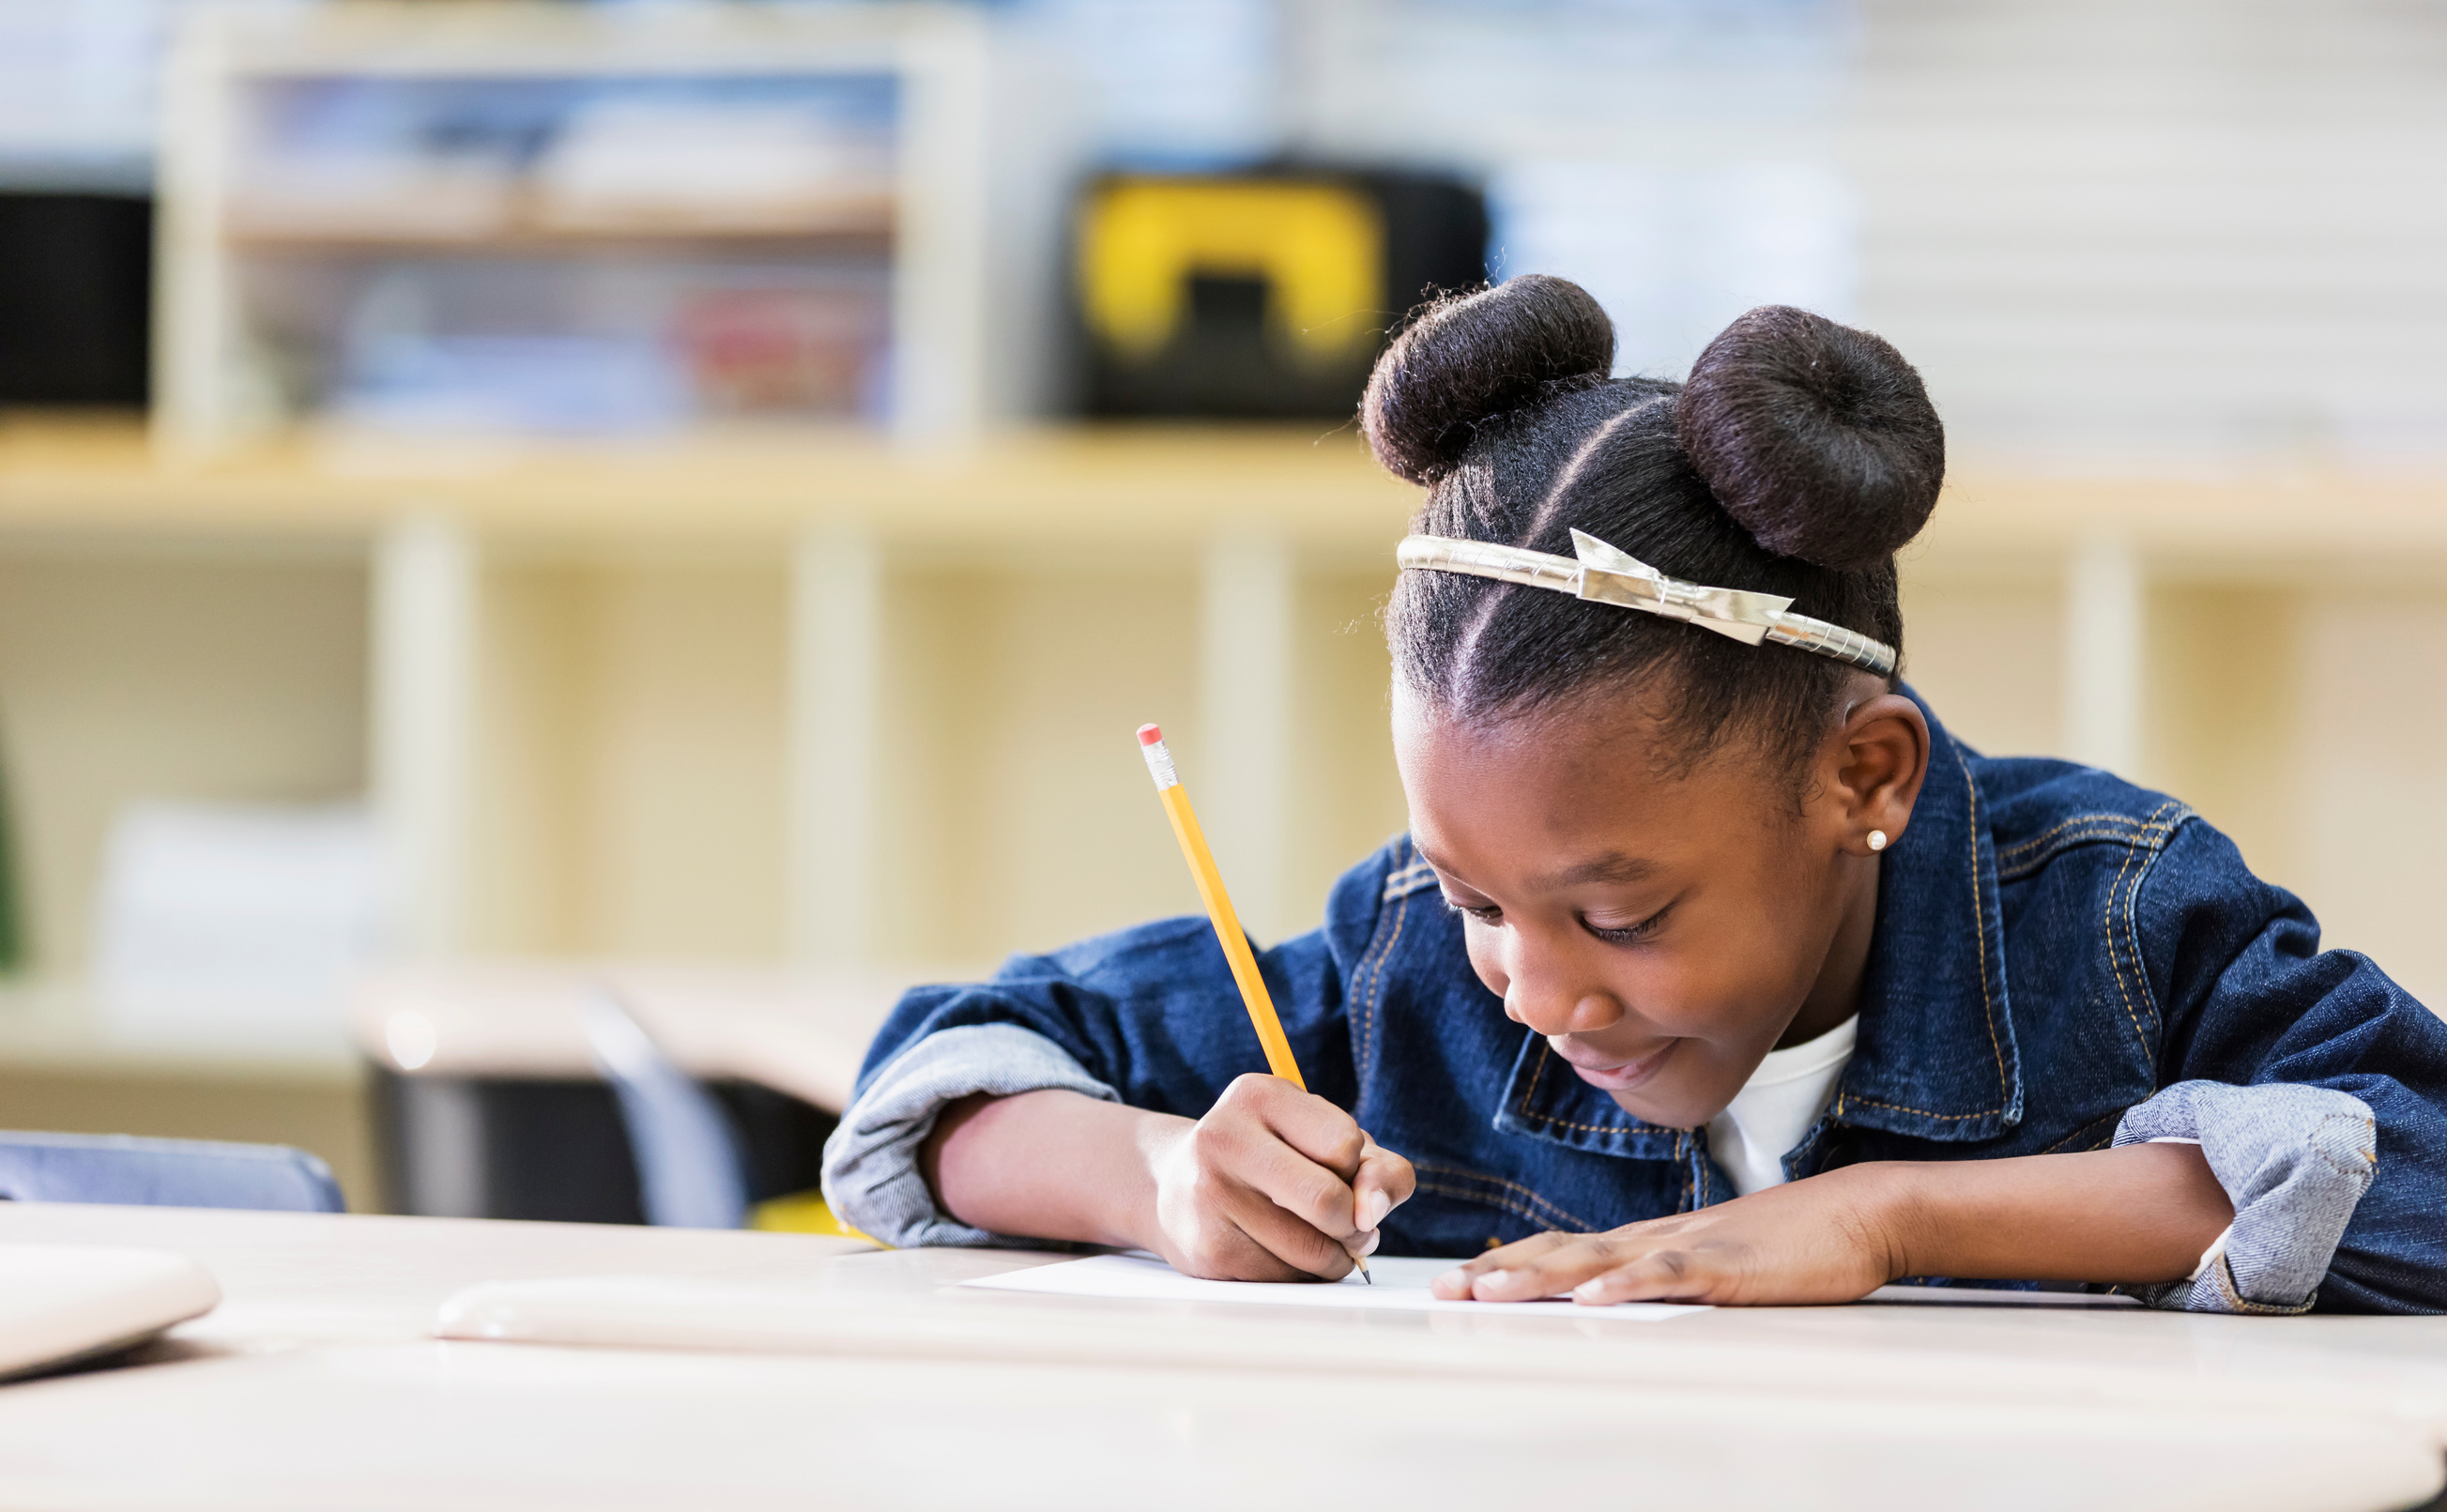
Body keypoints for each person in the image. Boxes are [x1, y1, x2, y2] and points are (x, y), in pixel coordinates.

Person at [821, 276, 2447, 1313]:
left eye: (1621, 912)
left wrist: (1891, 1216)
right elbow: (940, 1080)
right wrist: (1157, 1182)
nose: (1534, 989)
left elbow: (2421, 1167)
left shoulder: (2110, 919)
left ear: (1862, 773)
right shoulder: (1405, 973)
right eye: (1476, 899)